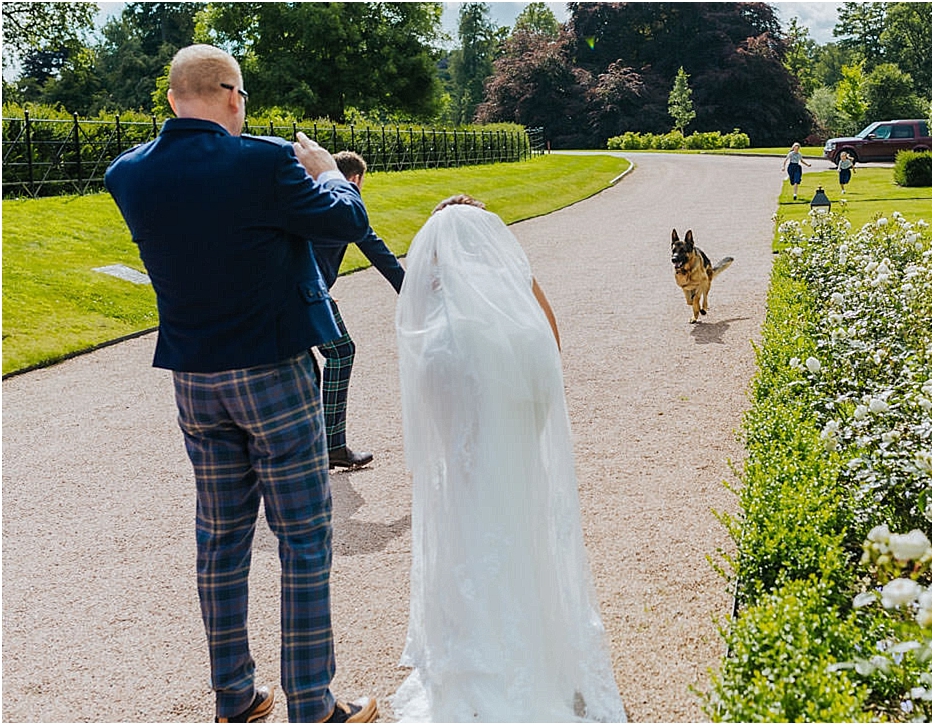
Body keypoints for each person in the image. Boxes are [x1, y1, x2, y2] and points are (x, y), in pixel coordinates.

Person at [105, 44, 378, 724]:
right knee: (303, 539)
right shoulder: (264, 161)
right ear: (233, 95)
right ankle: (312, 703)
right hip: (272, 370)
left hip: (194, 378)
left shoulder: (127, 174)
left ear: (174, 99)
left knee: (221, 540)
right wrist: (328, 172)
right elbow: (347, 220)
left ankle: (236, 696)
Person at [391, 195, 626, 722]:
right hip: (517, 458)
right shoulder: (517, 315)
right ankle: (539, 653)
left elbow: (436, 426)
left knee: (471, 547)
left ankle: (476, 658)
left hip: (466, 474)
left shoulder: (436, 337)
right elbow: (550, 357)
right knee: (524, 542)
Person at [313, 151, 405, 470]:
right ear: (355, 179)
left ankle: (309, 447)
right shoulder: (343, 203)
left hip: (289, 289)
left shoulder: (310, 193)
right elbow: (375, 248)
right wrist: (410, 292)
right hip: (304, 292)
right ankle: (332, 446)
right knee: (341, 352)